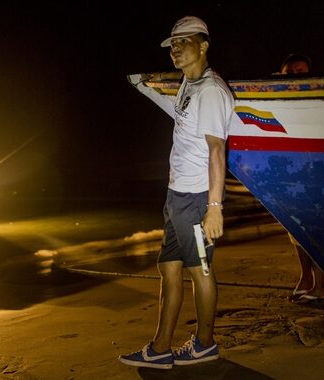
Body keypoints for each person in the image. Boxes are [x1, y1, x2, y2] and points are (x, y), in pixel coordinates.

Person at [119, 16, 236, 369]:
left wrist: (214, 207)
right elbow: (180, 115)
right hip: (177, 197)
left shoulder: (212, 91)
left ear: (204, 45)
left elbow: (217, 150)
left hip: (197, 198)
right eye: (172, 43)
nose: (175, 49)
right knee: (168, 267)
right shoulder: (190, 84)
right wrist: (145, 87)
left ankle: (205, 343)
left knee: (200, 268)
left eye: (184, 42)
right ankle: (160, 348)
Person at [277, 54, 324, 302]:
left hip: (316, 171)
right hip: (291, 170)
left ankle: (322, 284)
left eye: (301, 72)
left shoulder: (318, 96)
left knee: (316, 226)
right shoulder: (279, 98)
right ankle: (306, 277)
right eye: (290, 73)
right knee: (294, 228)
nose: (296, 77)